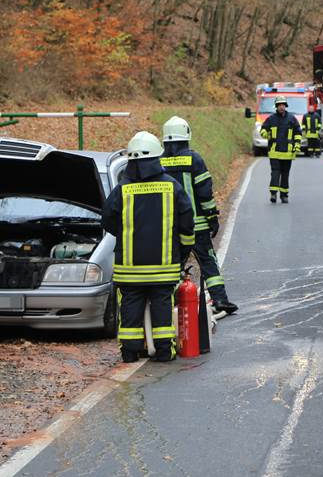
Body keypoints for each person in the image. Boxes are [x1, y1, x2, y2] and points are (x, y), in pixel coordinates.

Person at [101, 131, 195, 363]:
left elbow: (108, 221)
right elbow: (187, 223)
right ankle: (164, 351)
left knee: (130, 308)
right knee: (162, 307)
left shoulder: (122, 189)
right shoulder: (172, 187)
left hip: (129, 270)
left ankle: (130, 352)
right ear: (156, 158)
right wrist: (182, 254)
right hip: (163, 268)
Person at [161, 116, 238, 315]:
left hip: (170, 227)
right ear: (186, 136)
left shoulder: (158, 162)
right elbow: (204, 192)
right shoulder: (194, 159)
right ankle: (220, 300)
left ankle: (170, 306)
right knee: (207, 261)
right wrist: (212, 217)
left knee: (174, 266)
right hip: (197, 226)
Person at [260, 96, 301, 203]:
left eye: (283, 105)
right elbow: (263, 129)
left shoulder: (292, 119)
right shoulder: (271, 119)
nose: (281, 107)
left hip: (287, 152)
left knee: (285, 174)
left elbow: (298, 132)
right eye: (279, 105)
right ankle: (273, 194)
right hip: (274, 152)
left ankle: (284, 195)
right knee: (275, 173)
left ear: (285, 106)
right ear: (276, 106)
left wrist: (297, 144)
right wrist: (265, 134)